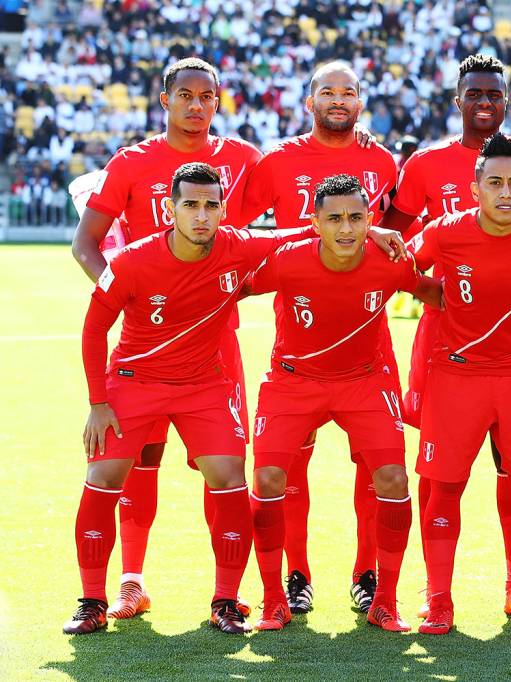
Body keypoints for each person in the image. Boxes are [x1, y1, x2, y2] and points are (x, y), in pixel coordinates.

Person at [65, 162, 314, 635]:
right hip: (134, 381)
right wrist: (99, 403)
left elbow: (297, 232)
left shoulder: (236, 246)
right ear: (169, 209)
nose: (202, 215)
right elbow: (95, 328)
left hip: (204, 385)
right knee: (103, 474)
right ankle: (92, 601)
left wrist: (376, 227)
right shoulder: (132, 261)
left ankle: (225, 601)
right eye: (191, 205)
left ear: (222, 209)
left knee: (228, 476)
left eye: (211, 205)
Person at [68, 57, 262, 621]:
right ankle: (129, 582)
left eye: (207, 96)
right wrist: (125, 290)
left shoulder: (243, 160)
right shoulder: (132, 162)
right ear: (165, 99)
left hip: (213, 343)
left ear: (218, 102)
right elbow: (87, 244)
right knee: (138, 460)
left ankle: (226, 595)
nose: (196, 106)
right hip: (145, 343)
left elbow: (278, 229)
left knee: (221, 467)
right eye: (186, 95)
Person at [381, 54, 511, 621]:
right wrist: (432, 292)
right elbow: (397, 242)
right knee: (440, 474)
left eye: (495, 94)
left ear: (508, 101)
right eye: (474, 92)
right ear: (457, 99)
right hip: (445, 343)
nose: (485, 102)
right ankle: (438, 597)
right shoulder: (427, 162)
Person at [237, 61, 401, 616]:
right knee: (287, 470)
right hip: (299, 344)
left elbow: (401, 241)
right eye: (327, 91)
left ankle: (368, 571)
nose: (338, 99)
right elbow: (234, 228)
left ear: (361, 102)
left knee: (374, 468)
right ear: (308, 102)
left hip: (369, 345)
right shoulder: (279, 160)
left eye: (348, 92)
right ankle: (296, 573)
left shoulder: (382, 160)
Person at [244, 174, 440, 632]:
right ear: (314, 222)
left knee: (392, 477)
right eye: (334, 218)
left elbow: (433, 294)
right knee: (270, 476)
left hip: (364, 383)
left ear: (371, 221)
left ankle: (385, 601)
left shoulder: (388, 262)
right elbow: (237, 289)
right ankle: (275, 599)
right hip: (294, 382)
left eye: (356, 218)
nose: (346, 229)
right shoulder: (288, 260)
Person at [408, 133, 511, 636]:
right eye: (495, 182)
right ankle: (439, 602)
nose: (505, 192)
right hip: (457, 375)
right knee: (445, 490)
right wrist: (434, 294)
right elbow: (404, 269)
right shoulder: (445, 232)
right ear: (474, 187)